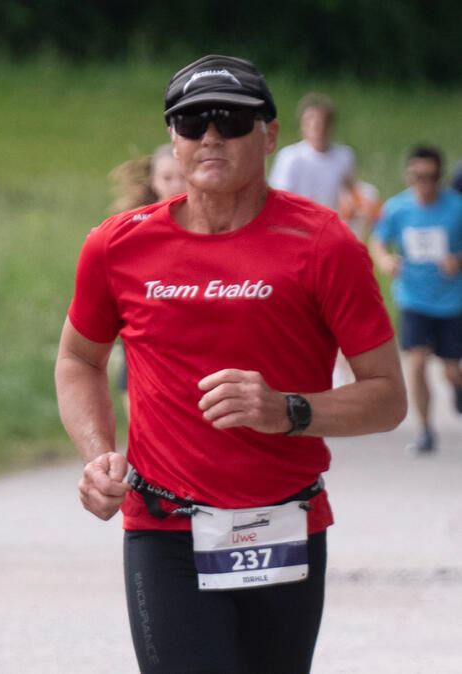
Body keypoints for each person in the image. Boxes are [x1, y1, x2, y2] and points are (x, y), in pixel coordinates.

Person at [55, 54, 406, 673]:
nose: (210, 135)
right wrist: (98, 453)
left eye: (231, 120)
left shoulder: (324, 245)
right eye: (191, 122)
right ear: (173, 137)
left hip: (283, 523)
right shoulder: (116, 246)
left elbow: (386, 397)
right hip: (164, 526)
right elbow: (79, 359)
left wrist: (288, 410)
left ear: (270, 134)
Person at [368, 145, 462, 454]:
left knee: (451, 369)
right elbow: (379, 241)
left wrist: (457, 260)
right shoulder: (398, 208)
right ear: (409, 175)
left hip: (451, 301)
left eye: (431, 177)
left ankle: (457, 387)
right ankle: (425, 430)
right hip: (414, 298)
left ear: (439, 176)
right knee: (417, 363)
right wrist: (385, 260)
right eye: (418, 176)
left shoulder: (456, 207)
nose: (424, 184)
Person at [108, 143, 186, 423]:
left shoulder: (212, 227)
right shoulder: (133, 229)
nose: (176, 185)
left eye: (182, 176)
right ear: (153, 182)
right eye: (167, 178)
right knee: (143, 432)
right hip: (142, 349)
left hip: (189, 350)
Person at [269, 92, 357, 211]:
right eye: (310, 122)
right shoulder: (289, 157)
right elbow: (280, 199)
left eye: (322, 122)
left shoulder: (345, 155)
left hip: (330, 221)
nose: (317, 127)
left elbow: (351, 194)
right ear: (302, 126)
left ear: (331, 125)